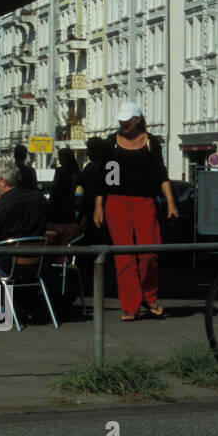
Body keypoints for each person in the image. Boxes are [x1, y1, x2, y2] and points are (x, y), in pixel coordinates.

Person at [94, 102, 176, 321]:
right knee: (124, 256)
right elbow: (101, 177)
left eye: (127, 121)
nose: (124, 125)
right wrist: (98, 205)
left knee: (149, 252)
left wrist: (171, 202)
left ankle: (150, 299)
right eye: (121, 121)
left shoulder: (151, 143)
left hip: (144, 201)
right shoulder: (110, 143)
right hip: (116, 203)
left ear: (138, 120)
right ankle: (130, 306)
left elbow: (161, 174)